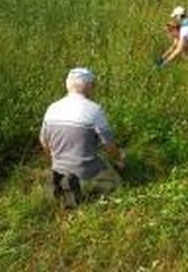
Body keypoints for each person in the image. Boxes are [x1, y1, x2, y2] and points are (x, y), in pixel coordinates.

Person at [40, 67, 125, 207]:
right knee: (115, 182)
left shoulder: (52, 108)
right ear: (89, 86)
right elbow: (108, 145)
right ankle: (82, 187)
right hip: (85, 170)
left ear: (68, 85)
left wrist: (55, 160)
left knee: (64, 167)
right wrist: (119, 159)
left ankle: (61, 181)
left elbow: (44, 141)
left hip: (58, 166)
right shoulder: (94, 110)